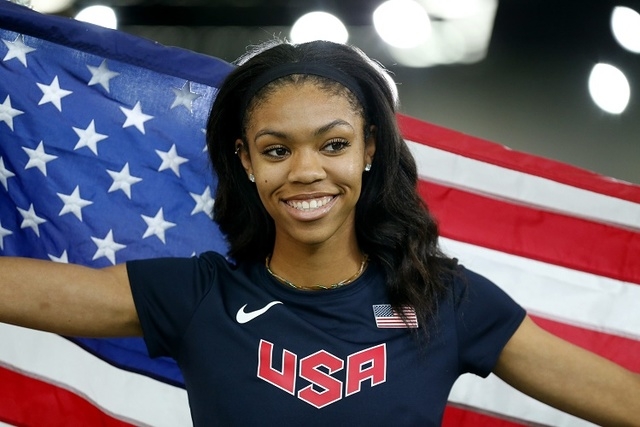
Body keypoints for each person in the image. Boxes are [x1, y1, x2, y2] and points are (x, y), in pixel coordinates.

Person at [1, 39, 639, 426]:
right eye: (276, 150)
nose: (307, 172)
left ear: (369, 150)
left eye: (332, 144)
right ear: (246, 161)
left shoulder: (446, 301)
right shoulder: (194, 295)